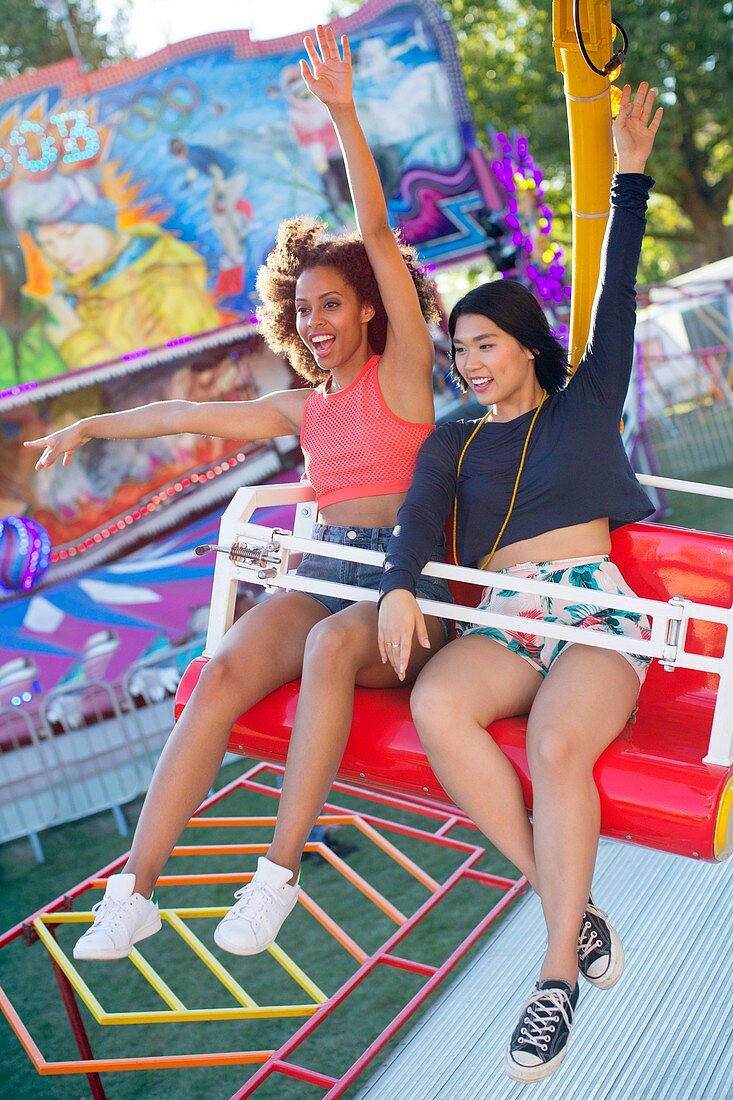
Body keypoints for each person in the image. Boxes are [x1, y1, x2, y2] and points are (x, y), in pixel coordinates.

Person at [25, 25, 450, 962]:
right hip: (323, 574)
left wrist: (340, 113)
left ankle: (277, 878)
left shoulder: (406, 371)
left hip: (405, 587)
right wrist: (90, 427)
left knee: (335, 643)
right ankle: (132, 893)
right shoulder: (301, 407)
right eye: (303, 311)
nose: (317, 320)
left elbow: (376, 232)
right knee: (214, 674)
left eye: (333, 303)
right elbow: (187, 415)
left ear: (371, 307)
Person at [377, 83, 662, 1083]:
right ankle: (570, 900)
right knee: (440, 700)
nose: (469, 364)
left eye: (483, 344)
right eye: (459, 353)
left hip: (591, 611)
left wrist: (628, 175)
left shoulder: (586, 397)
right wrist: (398, 585)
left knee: (554, 744)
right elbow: (413, 523)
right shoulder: (454, 444)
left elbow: (614, 291)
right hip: (503, 621)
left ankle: (552, 976)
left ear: (524, 343)